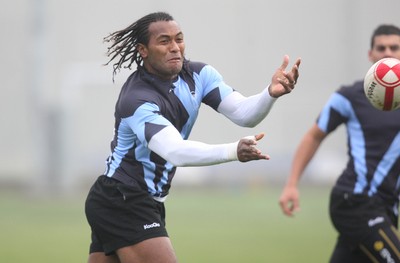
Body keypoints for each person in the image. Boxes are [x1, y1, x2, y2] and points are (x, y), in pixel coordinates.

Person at [85, 11, 301, 263]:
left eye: (179, 39)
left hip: (133, 200)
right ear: (143, 50)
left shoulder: (199, 75)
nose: (175, 47)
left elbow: (244, 114)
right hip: (123, 198)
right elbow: (174, 151)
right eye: (164, 41)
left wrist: (270, 94)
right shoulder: (137, 99)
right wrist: (233, 151)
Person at [279, 24, 400, 263]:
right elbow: (313, 136)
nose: (387, 53)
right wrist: (291, 183)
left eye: (394, 47)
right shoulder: (349, 96)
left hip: (387, 207)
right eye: (381, 47)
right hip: (355, 202)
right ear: (370, 55)